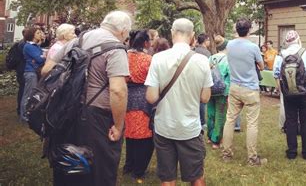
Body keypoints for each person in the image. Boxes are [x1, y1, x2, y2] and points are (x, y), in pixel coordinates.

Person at [43, 10, 131, 186]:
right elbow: (118, 91)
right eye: (127, 33)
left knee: (70, 161)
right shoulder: (115, 48)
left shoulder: (77, 41)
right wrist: (119, 125)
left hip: (68, 113)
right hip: (97, 118)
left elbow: (46, 70)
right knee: (99, 168)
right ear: (122, 31)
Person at [145, 18, 213, 185]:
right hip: (190, 128)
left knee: (167, 179)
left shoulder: (158, 58)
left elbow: (151, 97)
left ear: (172, 33)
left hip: (164, 127)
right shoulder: (202, 60)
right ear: (193, 36)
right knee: (196, 176)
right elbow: (205, 98)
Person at [221, 17, 266, 166]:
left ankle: (226, 154)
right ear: (249, 30)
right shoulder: (253, 47)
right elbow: (262, 66)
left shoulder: (230, 45)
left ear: (236, 29)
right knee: (252, 123)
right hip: (250, 88)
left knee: (230, 120)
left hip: (234, 86)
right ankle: (252, 158)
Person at [274, 30, 306, 160]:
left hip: (288, 92)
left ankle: (292, 151)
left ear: (286, 42)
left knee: (290, 120)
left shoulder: (281, 55)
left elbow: (276, 75)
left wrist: (282, 89)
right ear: (298, 39)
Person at [123, 30, 154, 182]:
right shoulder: (148, 59)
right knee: (143, 134)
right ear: (146, 43)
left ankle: (128, 165)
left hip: (126, 95)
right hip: (143, 96)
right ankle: (138, 169)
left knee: (129, 133)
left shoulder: (124, 56)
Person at [207, 35, 231, 149]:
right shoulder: (227, 60)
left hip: (210, 88)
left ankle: (209, 135)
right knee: (220, 115)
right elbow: (230, 76)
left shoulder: (210, 58)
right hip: (222, 90)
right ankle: (216, 140)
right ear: (225, 47)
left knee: (211, 112)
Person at [20, 27, 46, 122]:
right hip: (30, 72)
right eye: (38, 33)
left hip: (33, 71)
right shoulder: (29, 46)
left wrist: (41, 56)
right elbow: (40, 59)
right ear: (32, 35)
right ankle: (24, 116)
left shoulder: (36, 46)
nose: (40, 34)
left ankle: (29, 113)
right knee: (28, 94)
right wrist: (43, 56)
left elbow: (40, 58)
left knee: (32, 94)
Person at [7, 30, 26, 116]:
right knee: (23, 90)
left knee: (22, 89)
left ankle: (20, 109)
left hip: (20, 69)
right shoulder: (23, 45)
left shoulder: (20, 43)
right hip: (23, 70)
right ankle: (21, 110)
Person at [195, 33, 211, 128]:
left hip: (193, 77)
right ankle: (202, 121)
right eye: (208, 40)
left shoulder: (194, 50)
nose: (209, 42)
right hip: (202, 79)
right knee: (202, 101)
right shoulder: (206, 53)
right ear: (205, 41)